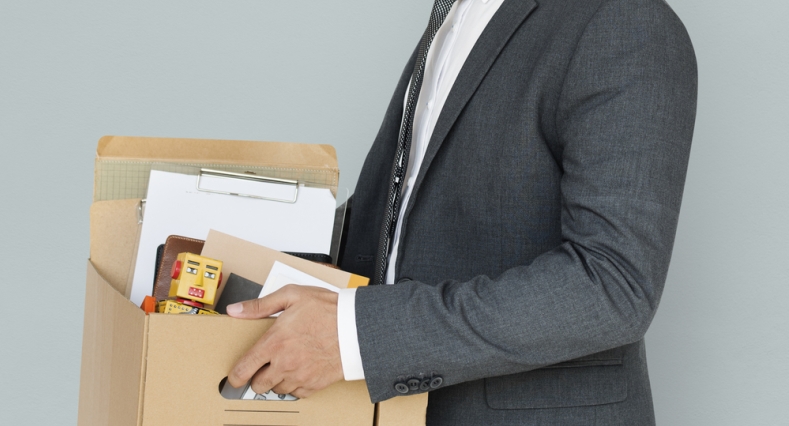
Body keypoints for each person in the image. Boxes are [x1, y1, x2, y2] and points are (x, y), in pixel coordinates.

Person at [226, 0, 698, 424]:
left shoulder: (624, 21)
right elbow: (398, 217)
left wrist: (355, 338)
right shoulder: (454, 16)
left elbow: (613, 285)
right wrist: (215, 237)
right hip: (401, 409)